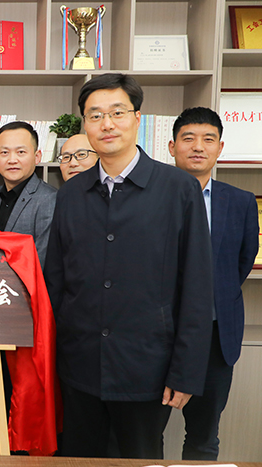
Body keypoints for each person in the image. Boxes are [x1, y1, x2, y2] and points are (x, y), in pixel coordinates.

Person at [44, 73, 214, 459]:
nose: (107, 124)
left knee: (139, 458)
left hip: (147, 368)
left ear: (137, 118)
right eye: (95, 115)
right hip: (80, 366)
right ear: (85, 124)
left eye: (117, 112)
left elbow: (197, 287)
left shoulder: (178, 189)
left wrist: (186, 371)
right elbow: (57, 280)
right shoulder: (71, 194)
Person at [169, 107, 259, 460]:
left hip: (215, 335)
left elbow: (241, 262)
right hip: (159, 333)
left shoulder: (240, 201)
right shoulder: (152, 199)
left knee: (204, 436)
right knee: (143, 432)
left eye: (208, 139)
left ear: (220, 148)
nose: (198, 147)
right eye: (188, 138)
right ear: (172, 147)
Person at [0, 121, 57, 266]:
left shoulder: (49, 199)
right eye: (4, 152)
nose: (12, 160)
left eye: (21, 152)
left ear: (37, 157)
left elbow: (42, 262)